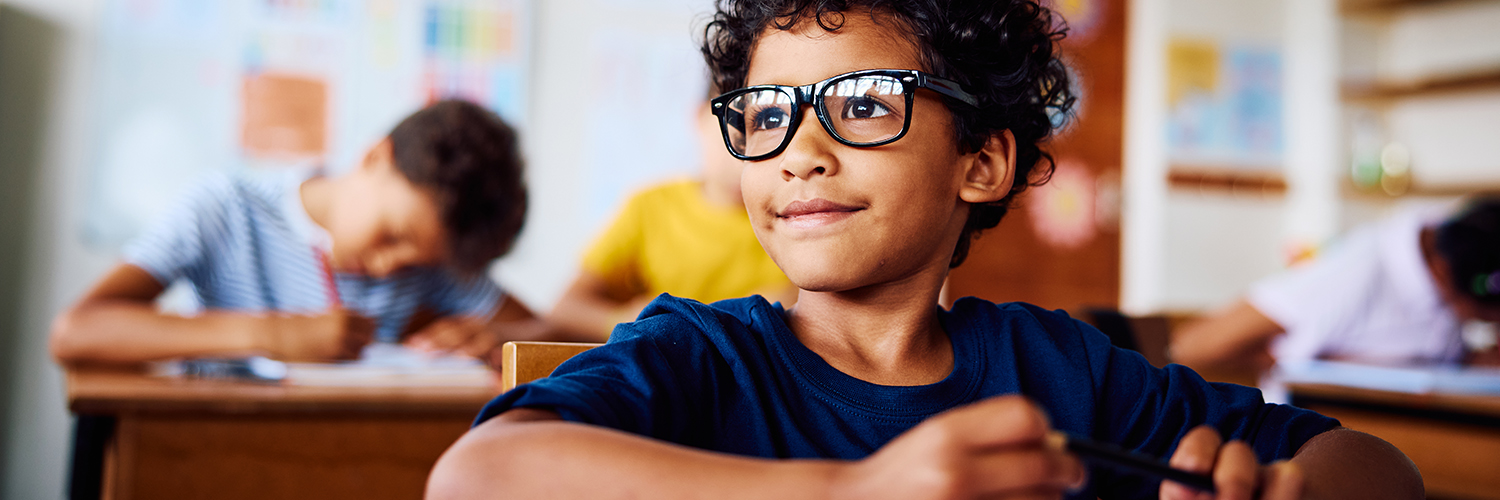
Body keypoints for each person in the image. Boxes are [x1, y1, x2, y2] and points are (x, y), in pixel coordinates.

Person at [427, 2, 1421, 499]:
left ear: (982, 163)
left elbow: (1376, 465)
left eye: (861, 106)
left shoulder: (1061, 366)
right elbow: (475, 476)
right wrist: (850, 489)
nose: (798, 152)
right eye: (764, 115)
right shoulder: (701, 353)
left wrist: (1285, 490)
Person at [50, 100, 574, 367]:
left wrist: (502, 339)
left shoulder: (429, 268)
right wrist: (269, 335)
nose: (392, 266)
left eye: (416, 260)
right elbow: (77, 331)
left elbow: (555, 334)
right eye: (392, 235)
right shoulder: (225, 212)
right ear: (374, 158)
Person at [1171, 197, 1500, 400]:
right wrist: (1297, 364)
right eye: (1490, 315)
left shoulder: (1460, 245)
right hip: (1309, 439)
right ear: (1446, 275)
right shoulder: (1356, 275)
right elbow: (1193, 345)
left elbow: (1443, 355)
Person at [548, 91, 796, 341]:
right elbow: (565, 309)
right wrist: (632, 321)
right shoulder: (650, 208)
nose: (744, 153)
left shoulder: (795, 218)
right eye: (737, 129)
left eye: (768, 128)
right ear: (700, 117)